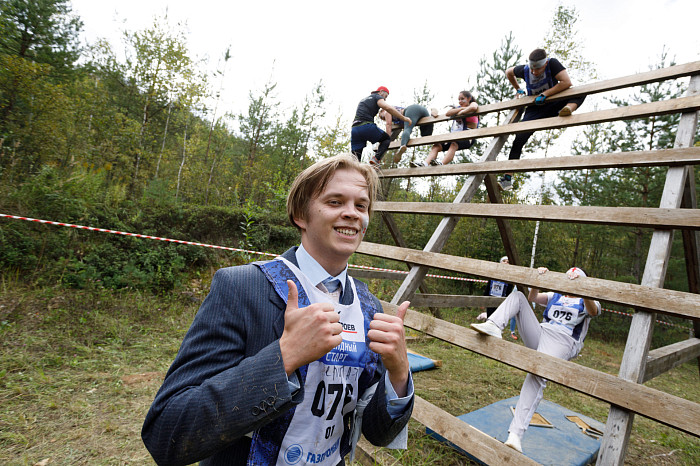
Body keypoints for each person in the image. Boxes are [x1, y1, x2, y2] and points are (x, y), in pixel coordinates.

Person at [142, 154, 415, 465]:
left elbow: (378, 433)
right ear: (301, 214)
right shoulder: (242, 287)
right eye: (335, 202)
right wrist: (283, 357)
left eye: (361, 206)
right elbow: (166, 433)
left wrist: (399, 373)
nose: (351, 214)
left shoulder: (367, 305)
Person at [470, 266, 600, 454]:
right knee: (518, 297)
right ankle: (494, 324)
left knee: (537, 374)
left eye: (575, 280)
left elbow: (593, 311)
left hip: (563, 340)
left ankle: (515, 434)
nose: (570, 283)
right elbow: (532, 298)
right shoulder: (556, 294)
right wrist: (538, 279)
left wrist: (584, 289)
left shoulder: (586, 299)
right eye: (569, 279)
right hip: (542, 332)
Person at [498, 48, 586, 191]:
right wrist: (518, 88)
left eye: (537, 69)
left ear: (544, 64)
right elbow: (509, 72)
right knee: (519, 138)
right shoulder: (525, 70)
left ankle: (568, 109)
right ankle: (507, 178)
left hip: (555, 103)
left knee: (581, 92)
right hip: (535, 109)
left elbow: (566, 82)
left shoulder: (552, 64)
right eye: (532, 69)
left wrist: (545, 94)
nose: (534, 72)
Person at [410, 91, 478, 167]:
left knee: (454, 144)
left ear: (469, 98)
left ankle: (442, 164)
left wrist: (461, 112)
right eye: (459, 99)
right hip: (455, 136)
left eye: (462, 99)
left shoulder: (472, 104)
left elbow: (473, 107)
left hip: (468, 136)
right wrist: (461, 109)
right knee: (437, 145)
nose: (460, 101)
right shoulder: (458, 107)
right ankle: (425, 164)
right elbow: (448, 113)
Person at [351, 86, 412, 169]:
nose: (385, 99)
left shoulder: (364, 99)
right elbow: (388, 108)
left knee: (355, 160)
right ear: (381, 91)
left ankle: (352, 174)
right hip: (366, 126)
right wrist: (403, 118)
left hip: (355, 129)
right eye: (385, 96)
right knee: (386, 139)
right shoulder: (377, 97)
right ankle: (376, 160)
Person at [476, 256, 517, 339]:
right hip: (491, 299)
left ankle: (497, 332)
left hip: (501, 301)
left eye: (508, 261)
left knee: (498, 317)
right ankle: (486, 331)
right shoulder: (493, 275)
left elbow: (509, 292)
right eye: (504, 261)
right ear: (500, 263)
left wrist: (506, 302)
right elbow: (488, 288)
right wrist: (483, 301)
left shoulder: (509, 278)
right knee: (490, 315)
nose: (506, 262)